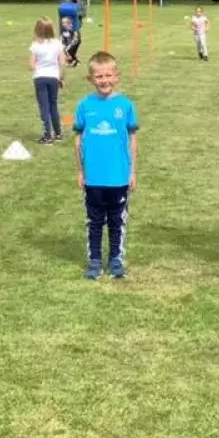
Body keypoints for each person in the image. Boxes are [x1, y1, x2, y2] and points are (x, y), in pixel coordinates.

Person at [72, 51, 138, 280]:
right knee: (95, 221)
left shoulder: (126, 105)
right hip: (94, 177)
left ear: (117, 76)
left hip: (119, 176)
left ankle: (116, 260)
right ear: (91, 79)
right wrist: (80, 171)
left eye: (108, 75)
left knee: (117, 221)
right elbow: (78, 139)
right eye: (99, 76)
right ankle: (95, 261)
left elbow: (132, 139)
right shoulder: (84, 106)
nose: (104, 80)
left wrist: (132, 171)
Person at [30, 17, 66, 144]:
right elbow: (62, 62)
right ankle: (58, 133)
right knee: (53, 105)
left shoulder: (35, 45)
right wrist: (61, 77)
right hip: (53, 78)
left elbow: (32, 64)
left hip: (40, 78)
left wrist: (37, 69)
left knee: (44, 106)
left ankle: (47, 135)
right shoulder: (57, 44)